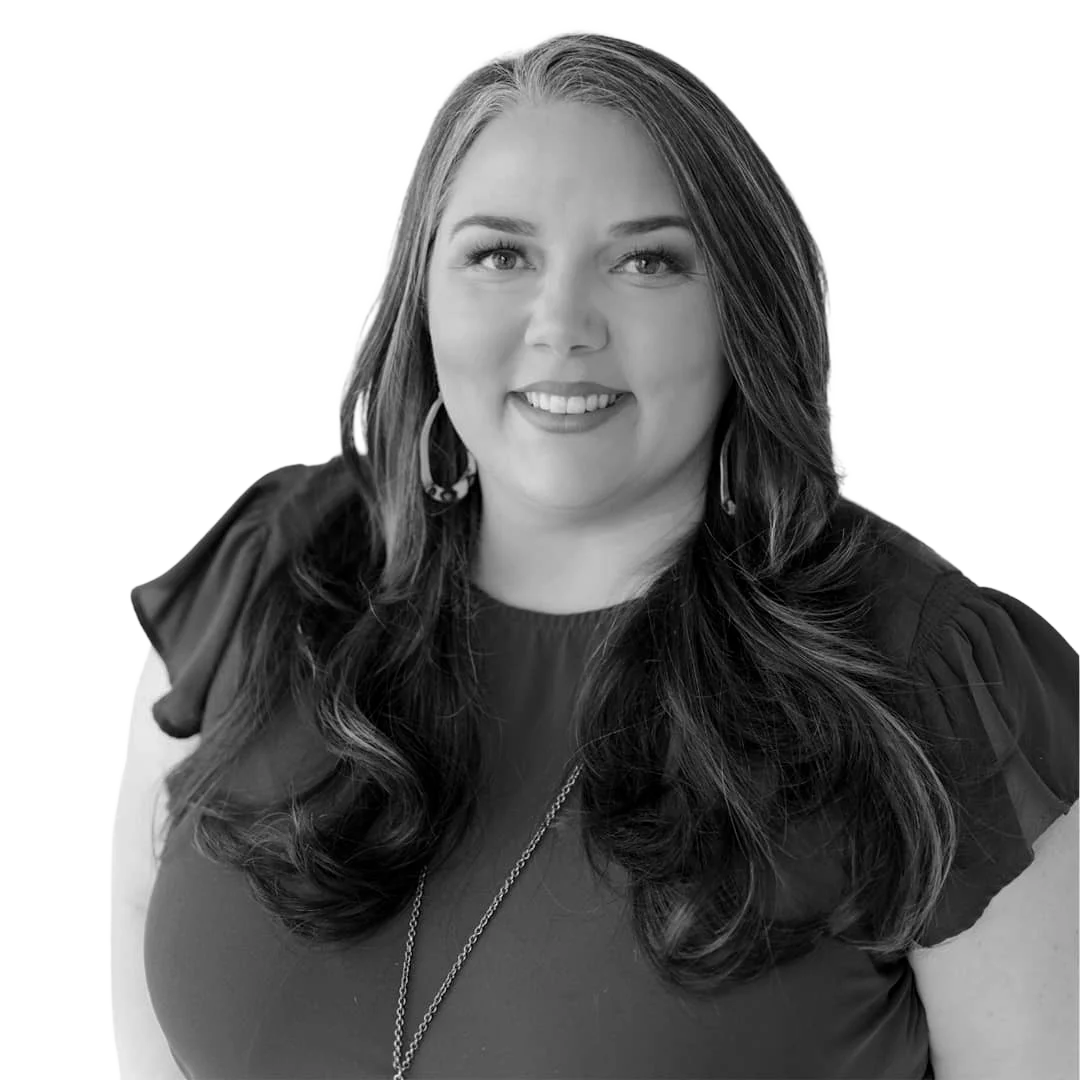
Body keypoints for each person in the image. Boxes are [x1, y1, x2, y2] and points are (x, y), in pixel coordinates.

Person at [116, 28, 1078, 1080]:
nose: (562, 323)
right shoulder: (272, 574)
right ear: (422, 298)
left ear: (743, 310)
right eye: (500, 254)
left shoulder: (930, 678)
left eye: (646, 261)